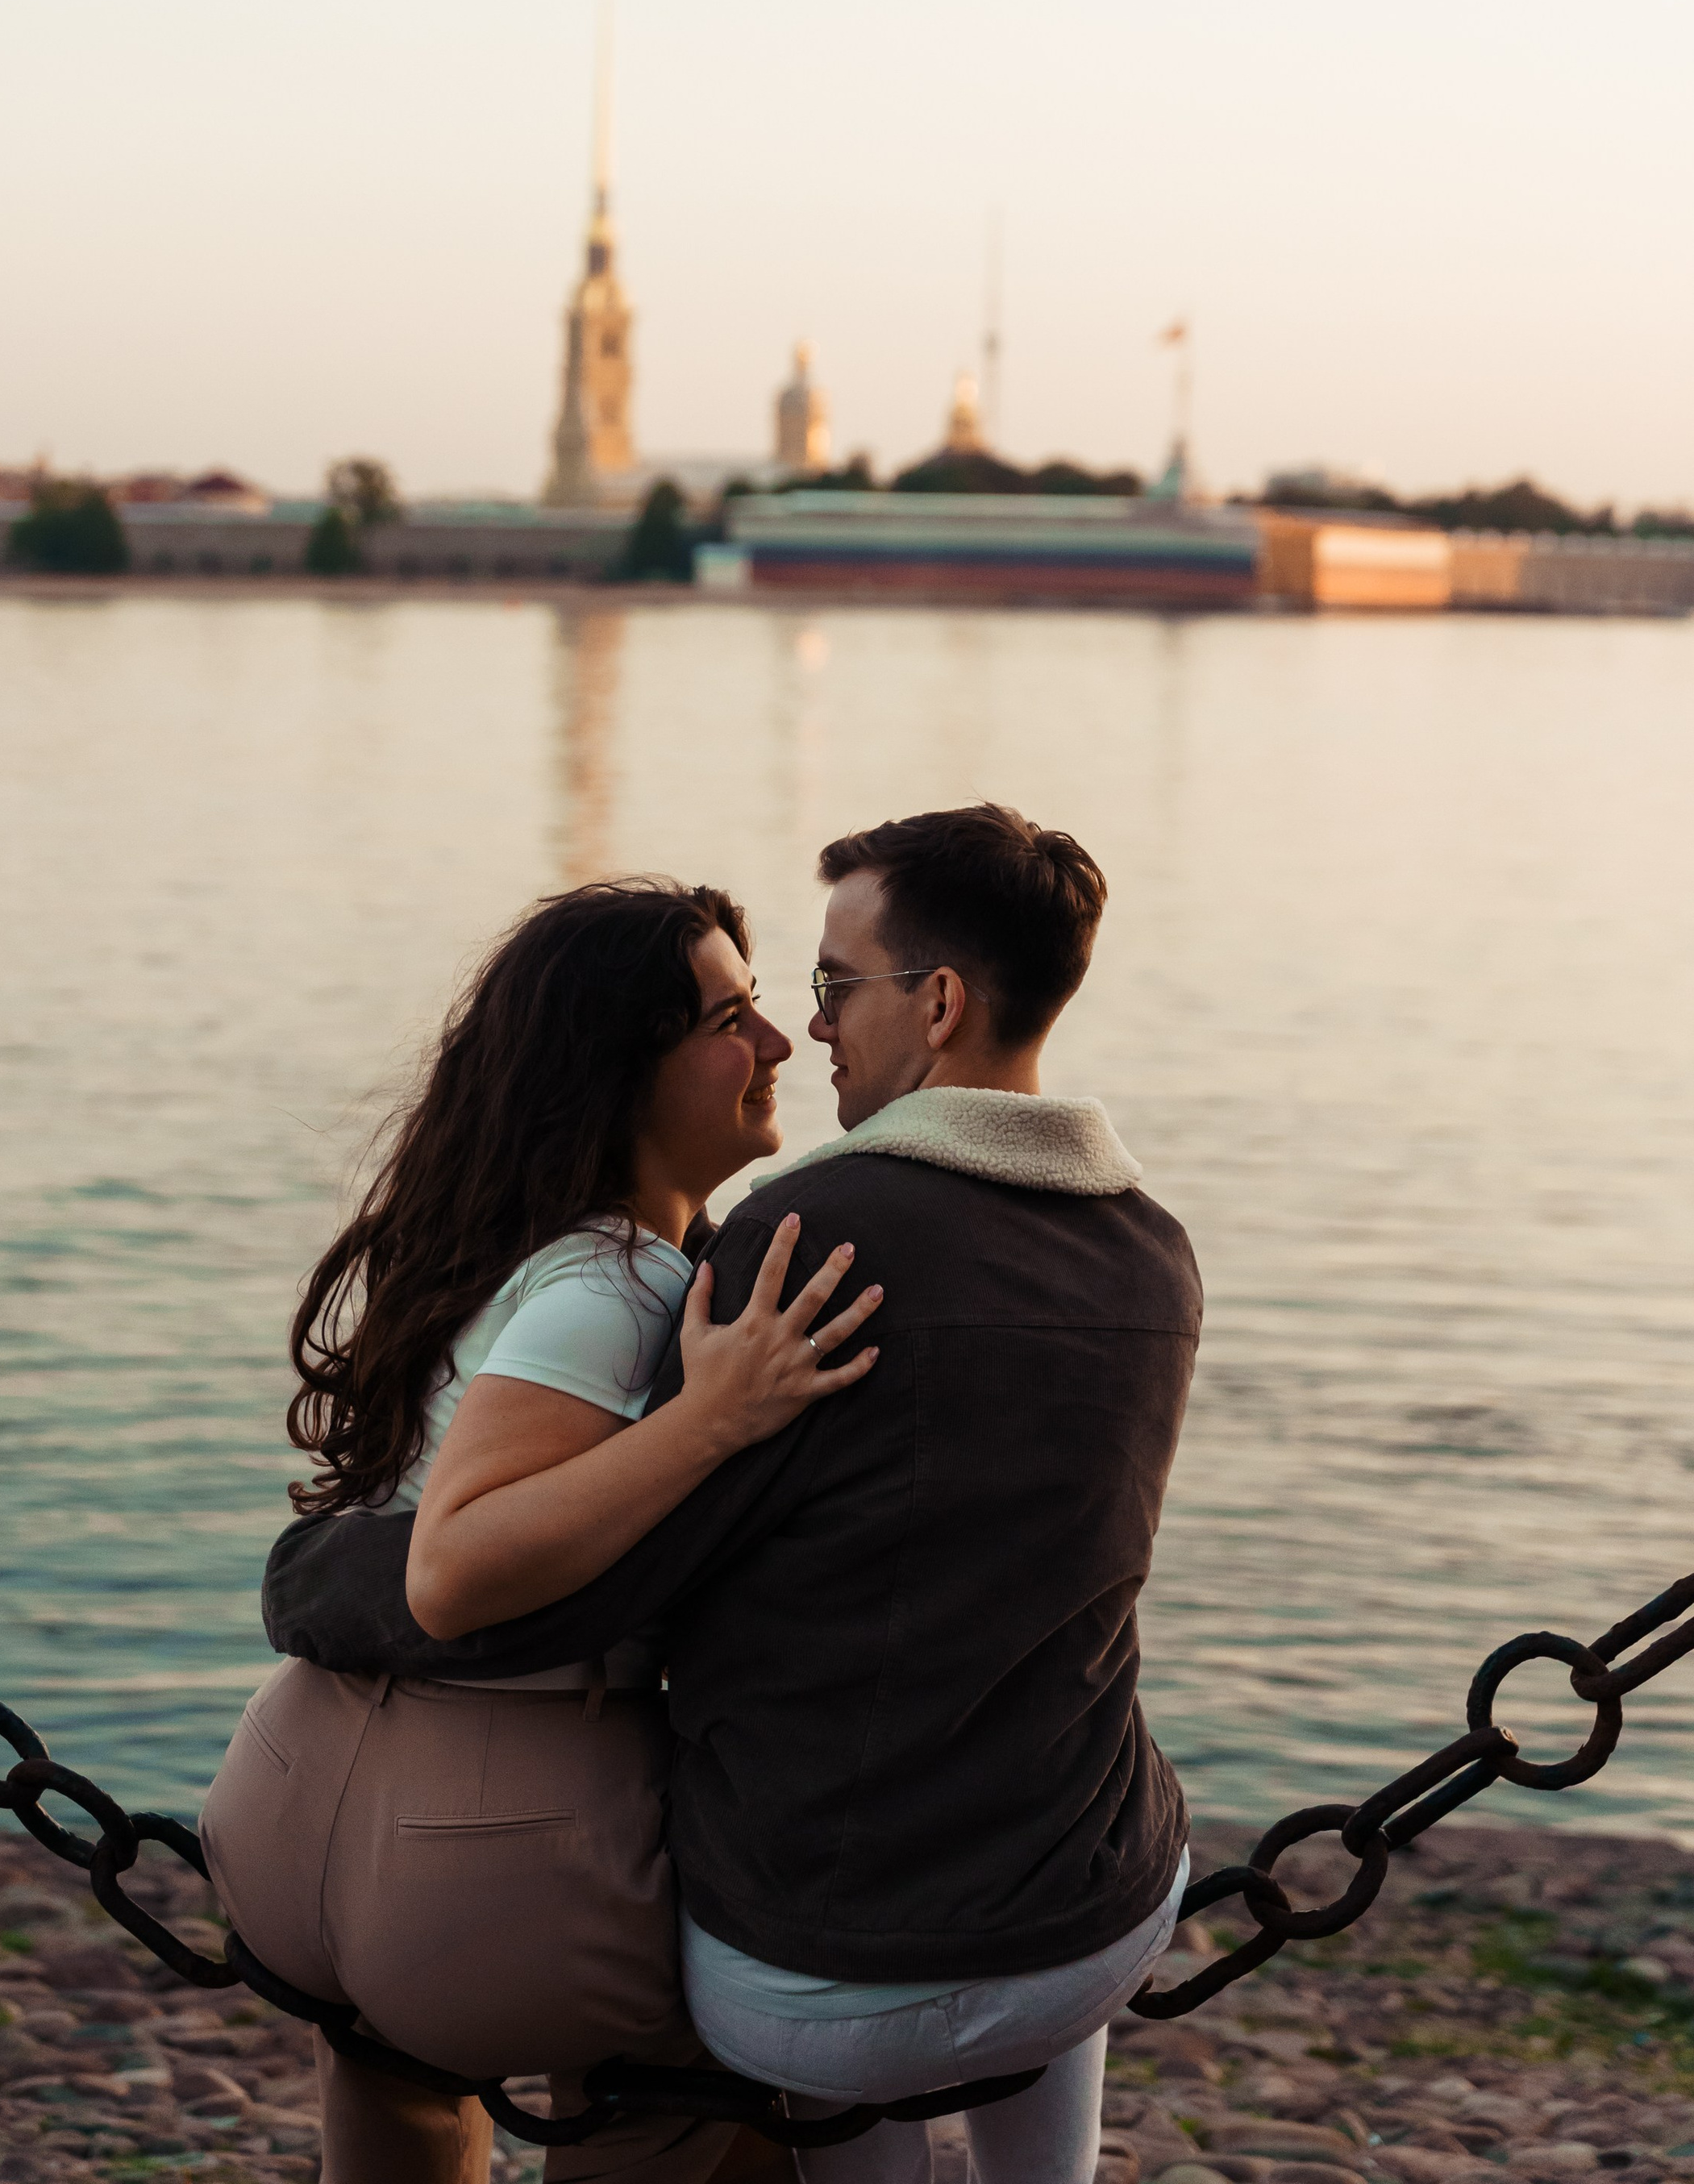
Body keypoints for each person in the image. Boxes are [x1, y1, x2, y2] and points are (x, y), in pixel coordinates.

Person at [264, 804, 1205, 2184]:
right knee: (1059, 1775)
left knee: (743, 2050)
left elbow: (584, 1586)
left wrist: (319, 1574)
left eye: (830, 985)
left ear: (940, 1004)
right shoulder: (1154, 1249)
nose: (801, 1029)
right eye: (759, 1007)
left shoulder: (804, 1241)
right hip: (1089, 1934)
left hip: (811, 1970)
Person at [199, 876, 881, 2184]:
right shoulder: (618, 1284)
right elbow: (455, 1569)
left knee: (400, 2092)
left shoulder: (499, 1254)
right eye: (728, 1020)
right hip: (480, 1855)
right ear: (618, 1071)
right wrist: (715, 1418)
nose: (777, 1043)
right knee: (721, 2067)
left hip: (292, 1796)